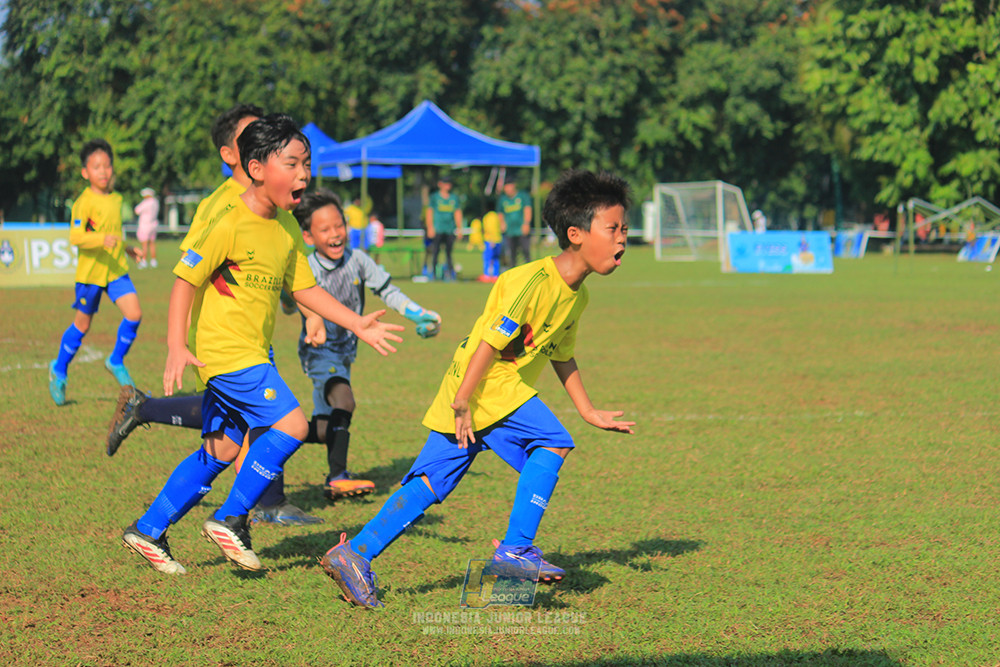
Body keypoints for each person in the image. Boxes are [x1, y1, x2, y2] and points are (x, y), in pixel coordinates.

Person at [320, 169, 636, 608]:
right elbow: (489, 341)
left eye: (625, 229)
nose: (623, 239)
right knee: (552, 443)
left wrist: (588, 410)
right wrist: (463, 400)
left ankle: (354, 553)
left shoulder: (577, 296)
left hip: (486, 393)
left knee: (432, 482)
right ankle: (515, 551)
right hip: (481, 386)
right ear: (576, 233)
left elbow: (561, 352)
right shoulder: (531, 280)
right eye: (613, 229)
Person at [120, 114, 404, 575]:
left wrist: (358, 323)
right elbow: (184, 279)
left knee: (223, 449)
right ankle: (231, 518)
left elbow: (306, 290)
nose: (304, 174)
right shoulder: (228, 220)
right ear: (256, 168)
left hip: (250, 351)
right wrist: (175, 343)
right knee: (292, 424)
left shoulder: (288, 229)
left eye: (306, 163)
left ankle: (149, 528)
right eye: (291, 163)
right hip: (227, 353)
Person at [293, 189, 441, 499]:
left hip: (345, 352)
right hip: (318, 352)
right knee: (344, 402)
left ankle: (269, 433)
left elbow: (388, 291)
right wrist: (310, 316)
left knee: (325, 427)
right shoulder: (306, 268)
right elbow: (290, 296)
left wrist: (419, 314)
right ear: (308, 237)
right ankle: (337, 477)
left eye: (339, 225)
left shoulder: (358, 260)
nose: (335, 234)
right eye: (325, 229)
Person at [49, 139, 144, 406]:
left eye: (107, 166)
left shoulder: (116, 199)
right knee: (82, 325)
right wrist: (100, 239)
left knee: (134, 313)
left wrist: (128, 249)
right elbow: (76, 236)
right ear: (85, 172)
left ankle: (115, 360)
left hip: (115, 271)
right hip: (91, 274)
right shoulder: (83, 202)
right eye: (96, 166)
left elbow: (113, 233)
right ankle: (59, 370)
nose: (103, 171)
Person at [425, 174, 463, 280]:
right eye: (445, 183)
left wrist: (460, 228)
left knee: (449, 253)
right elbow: (429, 212)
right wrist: (430, 227)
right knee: (435, 252)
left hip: (449, 229)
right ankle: (433, 274)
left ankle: (451, 274)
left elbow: (457, 213)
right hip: (438, 229)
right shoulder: (434, 197)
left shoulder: (454, 198)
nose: (448, 186)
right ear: (440, 184)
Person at [497, 178, 532, 267]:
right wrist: (502, 224)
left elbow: (527, 209)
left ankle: (529, 272)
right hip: (510, 231)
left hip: (521, 230)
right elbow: (500, 213)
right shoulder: (503, 199)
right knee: (511, 254)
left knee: (526, 252)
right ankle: (513, 272)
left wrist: (526, 223)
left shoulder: (522, 196)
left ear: (513, 185)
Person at [134, 187, 160, 268]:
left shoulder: (146, 202)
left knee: (144, 244)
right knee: (152, 243)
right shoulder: (155, 202)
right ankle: (153, 261)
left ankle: (144, 260)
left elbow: (137, 210)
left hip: (145, 225)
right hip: (153, 224)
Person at [479, 210, 503, 282]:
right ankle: (495, 275)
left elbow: (490, 229)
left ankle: (487, 275)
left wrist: (492, 240)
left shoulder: (487, 217)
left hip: (490, 240)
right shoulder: (497, 216)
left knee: (487, 258)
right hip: (498, 240)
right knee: (496, 259)